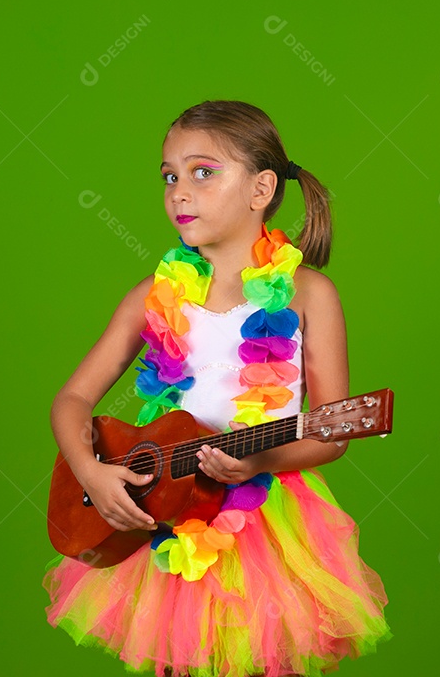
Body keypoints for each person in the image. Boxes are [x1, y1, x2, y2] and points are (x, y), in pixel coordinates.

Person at [43, 100, 392, 676]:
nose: (180, 191)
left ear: (260, 190)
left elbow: (331, 434)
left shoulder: (309, 295)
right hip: (166, 512)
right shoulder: (152, 296)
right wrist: (91, 471)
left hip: (262, 525)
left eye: (203, 172)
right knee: (176, 659)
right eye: (170, 176)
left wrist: (261, 461)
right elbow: (72, 400)